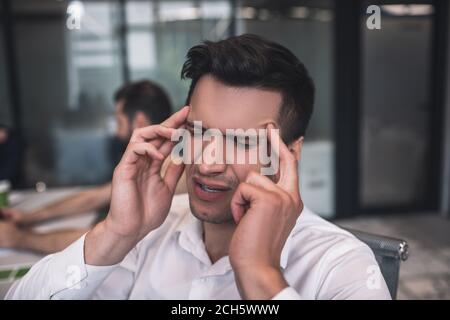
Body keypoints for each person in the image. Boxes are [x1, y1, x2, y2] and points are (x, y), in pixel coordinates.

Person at [6, 34, 390, 300]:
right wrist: (116, 233)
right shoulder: (152, 230)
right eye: (199, 132)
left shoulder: (341, 265)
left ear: (290, 152)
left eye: (242, 141)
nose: (207, 162)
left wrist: (259, 275)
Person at [0, 80, 186, 254]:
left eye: (119, 121)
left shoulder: (165, 167)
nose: (116, 131)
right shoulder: (162, 158)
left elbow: (107, 240)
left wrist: (19, 238)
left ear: (139, 121)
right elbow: (95, 197)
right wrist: (28, 217)